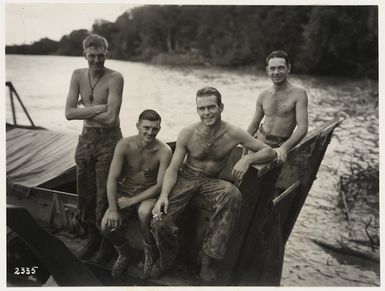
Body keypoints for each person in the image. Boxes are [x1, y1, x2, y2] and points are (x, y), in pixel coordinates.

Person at [150, 87, 275, 283]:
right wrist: (164, 196)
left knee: (232, 194)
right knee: (159, 220)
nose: (206, 113)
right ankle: (166, 259)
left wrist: (247, 160)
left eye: (211, 107)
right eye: (202, 108)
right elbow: (173, 169)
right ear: (197, 110)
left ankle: (208, 261)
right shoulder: (188, 133)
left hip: (211, 181)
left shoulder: (233, 133)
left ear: (221, 107)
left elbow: (269, 151)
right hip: (186, 178)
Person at [65, 34, 124, 260]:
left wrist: (84, 110)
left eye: (101, 56)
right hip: (86, 138)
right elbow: (68, 113)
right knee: (84, 195)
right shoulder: (77, 75)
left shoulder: (115, 78)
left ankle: (107, 243)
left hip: (109, 140)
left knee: (103, 196)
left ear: (106, 54)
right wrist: (100, 108)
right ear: (84, 55)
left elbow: (111, 120)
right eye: (92, 56)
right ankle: (92, 237)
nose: (97, 61)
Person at [100, 109, 172, 278]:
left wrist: (132, 201)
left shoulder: (164, 151)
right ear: (137, 126)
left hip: (149, 194)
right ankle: (124, 253)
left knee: (144, 212)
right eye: (146, 127)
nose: (150, 132)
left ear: (159, 128)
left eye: (155, 128)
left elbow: (160, 185)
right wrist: (112, 209)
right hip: (126, 191)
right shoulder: (124, 145)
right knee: (106, 226)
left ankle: (150, 254)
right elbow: (112, 179)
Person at [245, 50, 308, 163]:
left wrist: (284, 148)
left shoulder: (299, 93)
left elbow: (303, 128)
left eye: (280, 68)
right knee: (243, 171)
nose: (276, 72)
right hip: (258, 142)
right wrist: (243, 149)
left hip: (278, 147)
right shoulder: (263, 95)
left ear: (288, 68)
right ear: (267, 70)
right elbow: (254, 125)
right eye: (272, 68)